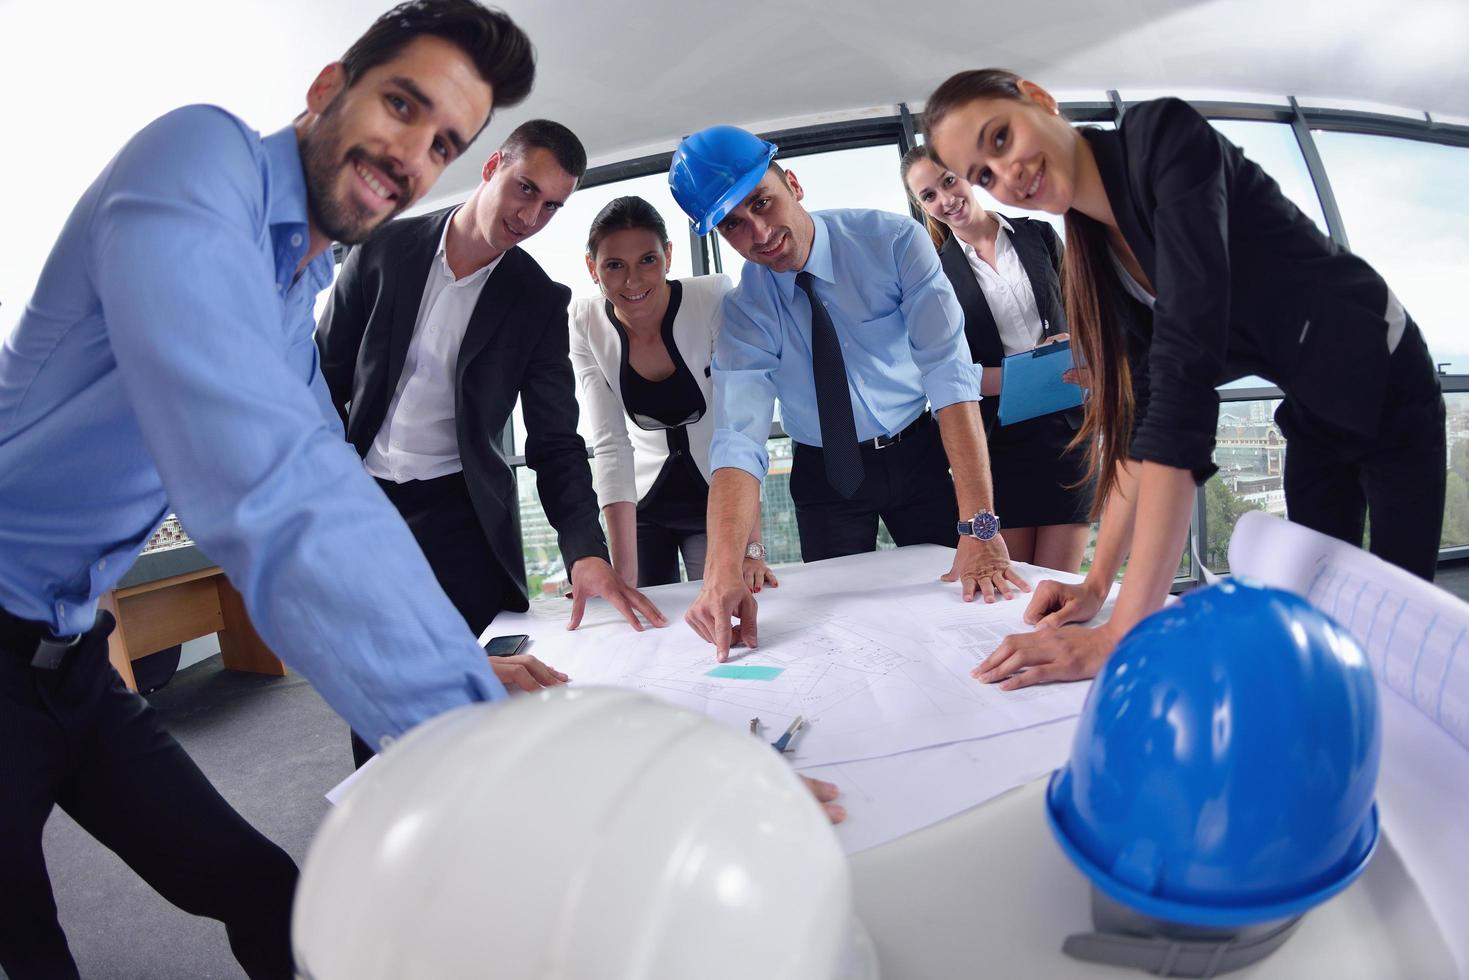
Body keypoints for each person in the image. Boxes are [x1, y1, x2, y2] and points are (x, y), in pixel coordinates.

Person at [0, 2, 537, 976]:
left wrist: (453, 666)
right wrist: (464, 738)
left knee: (268, 892)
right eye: (402, 104)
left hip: (74, 656)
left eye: (444, 142)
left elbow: (329, 482)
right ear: (328, 87)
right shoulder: (192, 162)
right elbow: (263, 482)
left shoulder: (291, 294)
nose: (413, 154)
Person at [924, 69, 1447, 690]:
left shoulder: (1163, 136)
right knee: (1315, 608)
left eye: (1001, 138)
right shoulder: (1092, 252)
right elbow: (1140, 420)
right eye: (983, 174)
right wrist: (1094, 588)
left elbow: (1184, 375)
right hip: (1311, 406)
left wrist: (1124, 635)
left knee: (1404, 619)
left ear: (1036, 99)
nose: (1004, 175)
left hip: (1385, 377)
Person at [317, 122, 668, 769]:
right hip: (364, 504)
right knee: (380, 682)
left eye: (551, 206)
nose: (531, 216)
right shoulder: (382, 249)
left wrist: (585, 552)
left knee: (482, 685)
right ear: (490, 170)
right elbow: (321, 379)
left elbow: (557, 442)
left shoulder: (536, 299)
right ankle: (381, 820)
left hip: (461, 514)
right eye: (524, 189)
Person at [669, 125, 1029, 662]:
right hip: (827, 476)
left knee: (964, 601)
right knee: (837, 633)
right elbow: (738, 439)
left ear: (793, 183)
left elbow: (950, 378)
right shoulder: (746, 312)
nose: (760, 233)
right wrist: (722, 566)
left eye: (763, 203)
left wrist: (981, 524)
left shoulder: (894, 243)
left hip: (917, 455)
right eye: (734, 225)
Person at [568, 195, 778, 590]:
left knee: (724, 609)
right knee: (642, 618)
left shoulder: (711, 297)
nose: (633, 281)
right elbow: (611, 444)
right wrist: (622, 576)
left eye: (648, 260)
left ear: (667, 254)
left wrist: (752, 549)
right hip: (642, 506)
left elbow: (740, 428)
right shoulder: (584, 323)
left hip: (718, 498)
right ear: (592, 269)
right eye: (614, 265)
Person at [900, 148, 1093, 572]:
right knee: (1014, 585)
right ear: (922, 207)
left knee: (1059, 582)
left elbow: (1084, 313)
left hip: (1069, 430)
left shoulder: (1039, 235)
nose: (946, 199)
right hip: (999, 442)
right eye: (929, 195)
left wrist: (1074, 339)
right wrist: (1022, 376)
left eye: (949, 181)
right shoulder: (933, 273)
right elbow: (946, 373)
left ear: (969, 174)